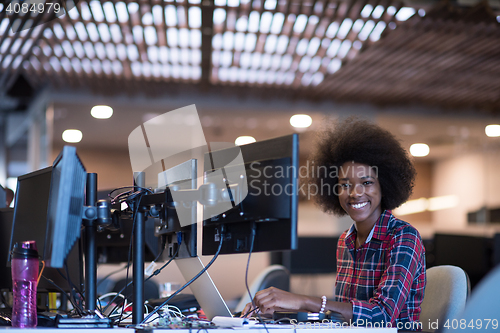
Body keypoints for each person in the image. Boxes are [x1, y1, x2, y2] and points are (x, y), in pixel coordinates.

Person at [242, 117, 426, 329]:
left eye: (366, 183)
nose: (355, 193)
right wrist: (281, 307)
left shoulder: (404, 237)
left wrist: (303, 300)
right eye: (345, 185)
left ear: (384, 185)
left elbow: (381, 316)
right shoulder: (344, 241)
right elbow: (342, 314)